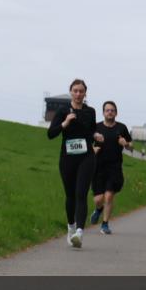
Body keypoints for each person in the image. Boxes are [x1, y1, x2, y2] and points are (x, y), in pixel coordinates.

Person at [48, 79, 97, 248]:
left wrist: (96, 136)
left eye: (81, 91)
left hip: (86, 157)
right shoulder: (62, 111)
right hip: (67, 158)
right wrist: (65, 123)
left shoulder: (90, 111)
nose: (78, 94)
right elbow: (51, 134)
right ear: (70, 92)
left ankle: (80, 233)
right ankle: (71, 227)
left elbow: (90, 131)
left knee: (81, 194)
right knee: (70, 195)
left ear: (85, 93)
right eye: (75, 90)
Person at [89, 100, 132, 235]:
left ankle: (105, 224)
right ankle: (98, 209)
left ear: (116, 113)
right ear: (103, 113)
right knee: (98, 199)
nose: (110, 112)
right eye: (107, 110)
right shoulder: (96, 127)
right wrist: (92, 150)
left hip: (114, 167)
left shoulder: (121, 128)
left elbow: (131, 146)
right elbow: (87, 143)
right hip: (98, 167)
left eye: (112, 110)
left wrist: (126, 144)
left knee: (108, 196)